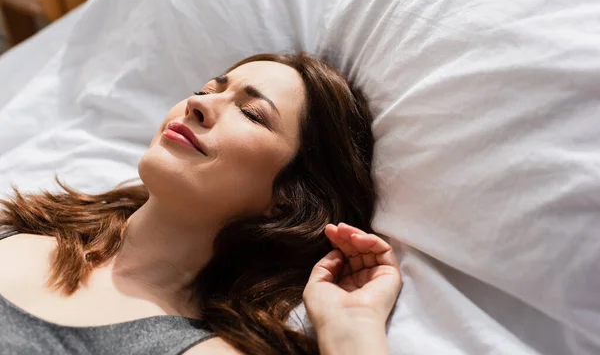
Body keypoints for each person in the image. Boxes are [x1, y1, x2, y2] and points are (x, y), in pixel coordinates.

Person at [0, 52, 402, 354]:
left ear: (288, 201)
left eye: (251, 113)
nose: (199, 104)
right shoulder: (20, 224)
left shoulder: (199, 348)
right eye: (207, 90)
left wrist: (351, 328)